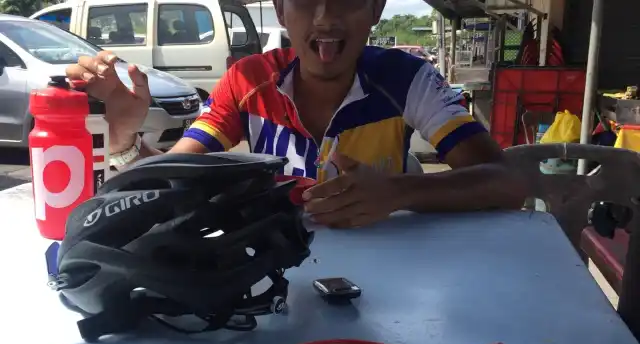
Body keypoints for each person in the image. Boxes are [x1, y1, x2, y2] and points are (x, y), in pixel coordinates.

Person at [66, 0, 525, 229]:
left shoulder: (409, 79)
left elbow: (506, 184)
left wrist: (399, 192)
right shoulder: (246, 80)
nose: (325, 18)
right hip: (274, 261)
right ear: (283, 12)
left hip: (391, 261)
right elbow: (177, 175)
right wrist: (125, 139)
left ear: (377, 11)